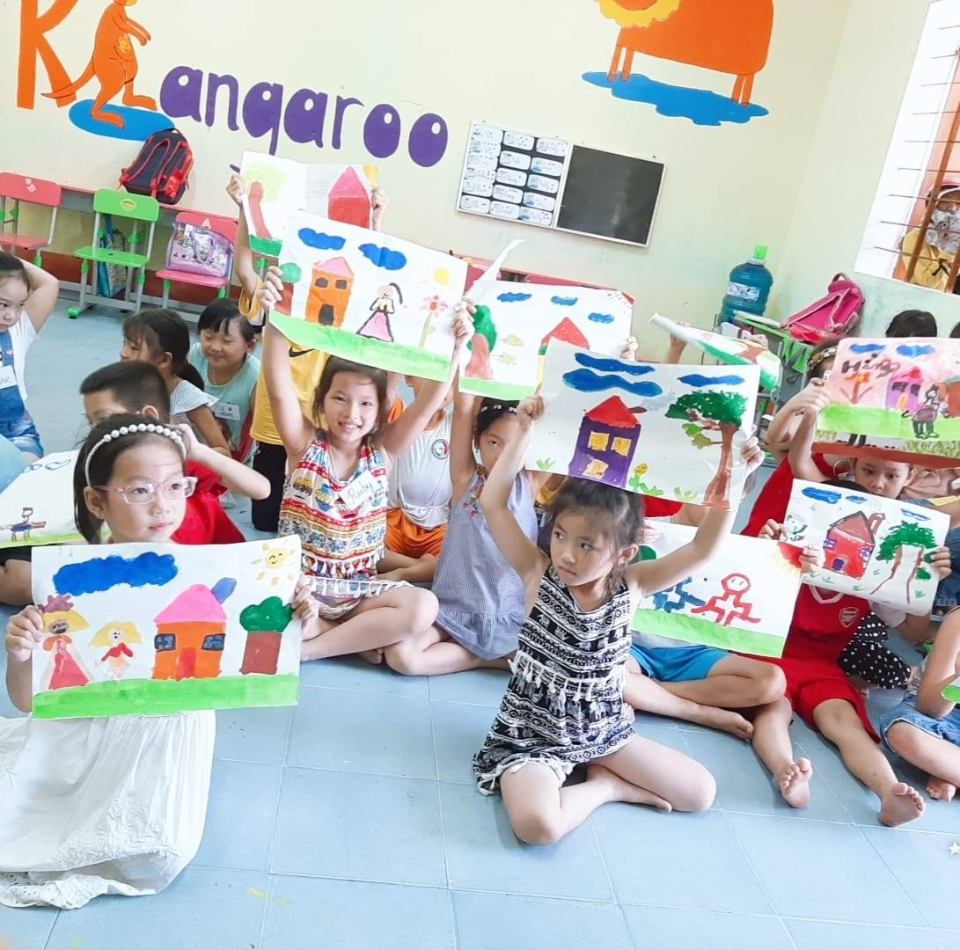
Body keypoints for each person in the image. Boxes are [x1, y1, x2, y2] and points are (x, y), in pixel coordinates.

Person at [471, 395, 765, 845]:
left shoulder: (634, 585)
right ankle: (607, 787)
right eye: (561, 536)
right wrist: (525, 432)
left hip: (602, 727)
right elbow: (494, 504)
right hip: (531, 733)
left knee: (700, 793)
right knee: (538, 827)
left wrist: (737, 471)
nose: (567, 554)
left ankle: (603, 774)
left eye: (586, 545)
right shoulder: (537, 571)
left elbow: (703, 548)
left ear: (625, 554)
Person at [0, 416, 216, 907]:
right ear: (97, 502)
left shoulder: (204, 573)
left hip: (164, 742)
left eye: (175, 486)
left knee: (159, 855)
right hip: (85, 738)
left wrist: (296, 612)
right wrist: (19, 653)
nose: (163, 505)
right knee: (38, 825)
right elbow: (28, 700)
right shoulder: (67, 582)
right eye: (140, 490)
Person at [260, 268, 470, 662]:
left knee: (423, 607)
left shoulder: (382, 452)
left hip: (357, 591)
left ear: (380, 411)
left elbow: (427, 405)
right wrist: (275, 315)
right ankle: (352, 639)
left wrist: (457, 347)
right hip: (299, 587)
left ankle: (316, 646)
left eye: (365, 404)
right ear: (322, 400)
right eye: (339, 398)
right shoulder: (304, 445)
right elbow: (278, 387)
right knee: (264, 610)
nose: (351, 414)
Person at [749, 514, 949, 824]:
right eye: (836, 543)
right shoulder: (789, 561)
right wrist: (765, 550)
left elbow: (915, 633)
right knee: (773, 709)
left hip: (823, 668)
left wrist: (925, 581)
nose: (845, 554)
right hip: (768, 657)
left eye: (859, 549)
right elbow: (749, 584)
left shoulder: (870, 584)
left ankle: (888, 791)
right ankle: (784, 770)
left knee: (845, 723)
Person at [227, 174, 389, 531]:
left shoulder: (341, 311)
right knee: (266, 520)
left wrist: (374, 220)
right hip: (275, 426)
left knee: (318, 517)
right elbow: (243, 269)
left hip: (324, 426)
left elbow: (369, 277)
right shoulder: (275, 296)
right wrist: (245, 212)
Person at [383, 392, 549, 675]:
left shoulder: (529, 484)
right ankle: (483, 658)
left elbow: (561, 429)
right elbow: (463, 408)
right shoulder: (466, 480)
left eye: (512, 445)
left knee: (552, 661)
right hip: (452, 612)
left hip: (506, 620)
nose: (502, 454)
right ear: (477, 440)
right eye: (493, 442)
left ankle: (481, 656)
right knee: (401, 657)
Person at [80, 361, 268, 543]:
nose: (97, 429)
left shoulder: (174, 462)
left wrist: (199, 452)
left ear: (148, 415)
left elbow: (260, 489)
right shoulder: (102, 463)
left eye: (104, 419)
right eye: (91, 421)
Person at [120, 308, 230, 456]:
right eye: (124, 344)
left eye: (134, 348)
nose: (124, 353)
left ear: (164, 359)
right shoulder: (127, 387)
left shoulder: (190, 399)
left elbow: (223, 451)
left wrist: (183, 451)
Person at [881, 606, 960, 802]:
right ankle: (948, 766)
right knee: (903, 732)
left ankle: (948, 769)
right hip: (942, 714)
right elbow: (929, 707)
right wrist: (957, 681)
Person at [382, 374, 455, 583]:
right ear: (409, 378)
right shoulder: (398, 415)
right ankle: (419, 567)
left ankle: (401, 573)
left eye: (450, 381)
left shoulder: (456, 426)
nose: (441, 386)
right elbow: (387, 388)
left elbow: (471, 403)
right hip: (394, 520)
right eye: (433, 376)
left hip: (436, 527)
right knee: (366, 550)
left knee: (454, 560)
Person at [0, 252, 59, 460]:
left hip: (15, 431)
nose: (11, 315)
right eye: (3, 304)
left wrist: (4, 255)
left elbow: (49, 283)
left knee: (23, 472)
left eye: (20, 305)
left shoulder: (19, 330)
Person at [187, 299, 260, 461]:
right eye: (208, 337)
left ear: (249, 346)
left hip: (234, 458)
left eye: (226, 341)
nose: (215, 347)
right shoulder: (195, 355)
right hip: (194, 446)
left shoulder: (256, 377)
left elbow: (261, 430)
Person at [899, 183, 960, 294]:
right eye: (945, 201)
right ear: (932, 206)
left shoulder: (952, 237)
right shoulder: (915, 237)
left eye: (958, 204)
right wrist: (950, 250)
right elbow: (926, 283)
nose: (952, 208)